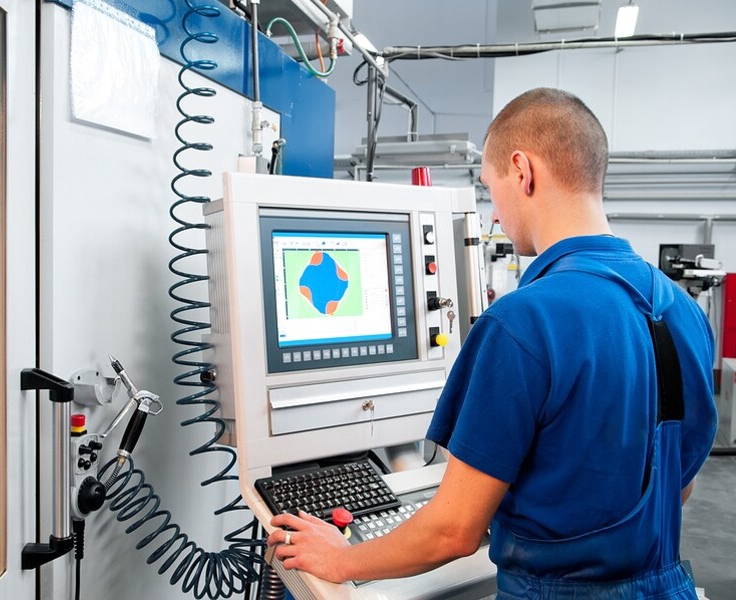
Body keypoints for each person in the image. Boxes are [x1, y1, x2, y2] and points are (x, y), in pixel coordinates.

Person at [266, 88, 717, 599]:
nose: (495, 213)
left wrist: (343, 558)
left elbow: (453, 531)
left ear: (522, 171)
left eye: (490, 186)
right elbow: (676, 485)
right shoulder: (682, 311)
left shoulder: (523, 322)